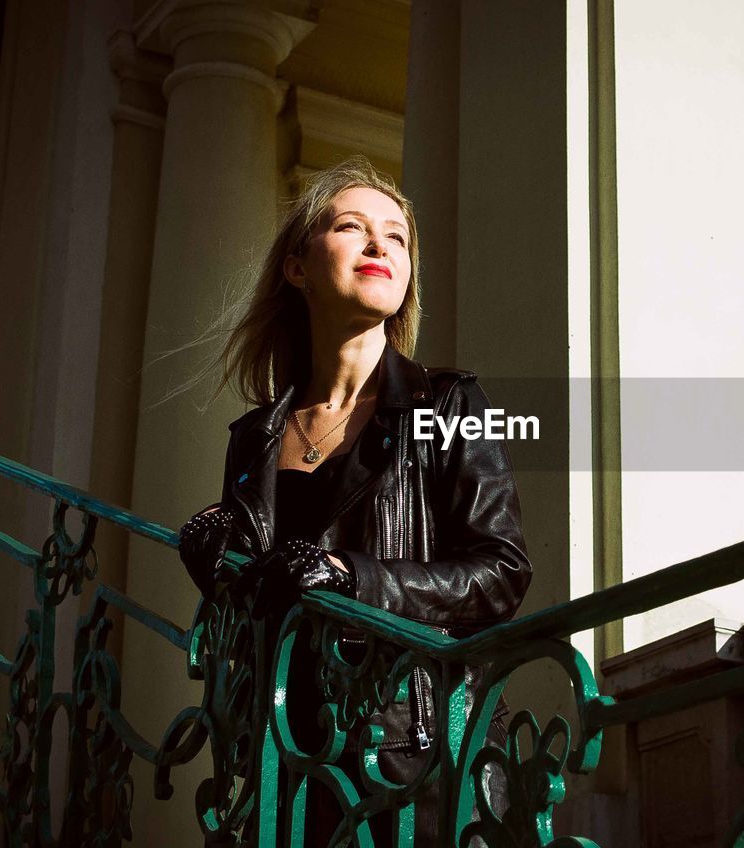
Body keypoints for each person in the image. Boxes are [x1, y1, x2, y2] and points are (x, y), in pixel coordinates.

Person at [175, 156, 530, 845]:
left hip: (413, 758)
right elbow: (261, 610)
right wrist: (216, 561)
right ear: (297, 266)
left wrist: (352, 579)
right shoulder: (254, 440)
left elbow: (501, 572)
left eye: (397, 238)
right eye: (351, 227)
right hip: (290, 759)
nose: (380, 246)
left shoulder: (449, 403)